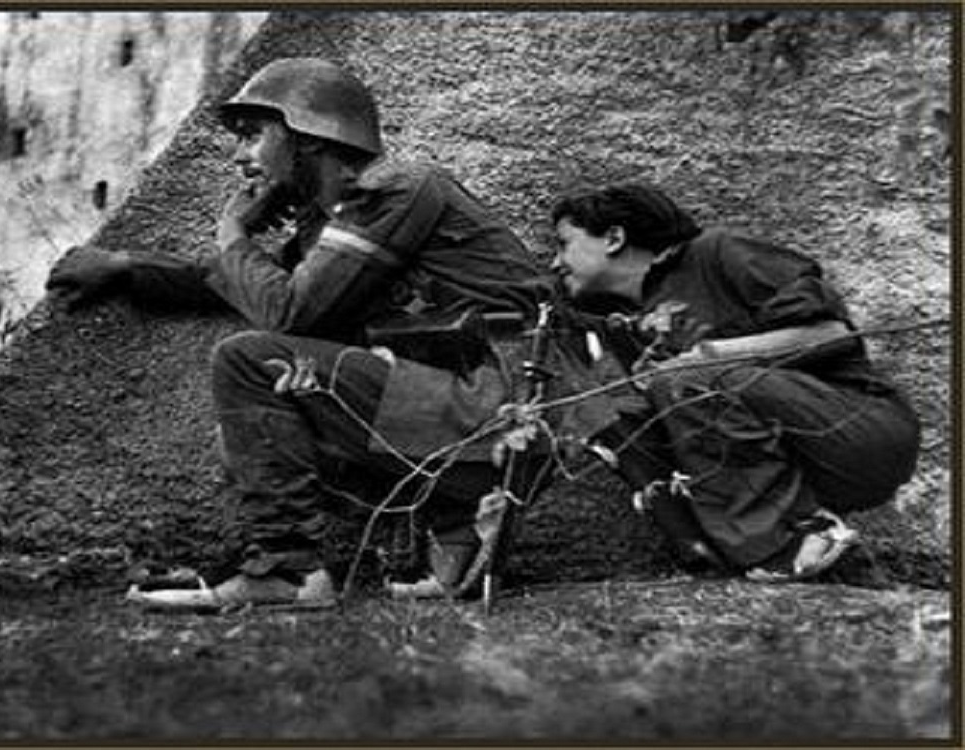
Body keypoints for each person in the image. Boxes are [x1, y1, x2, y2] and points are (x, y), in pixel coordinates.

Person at [46, 58, 578, 610]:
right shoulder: (337, 226)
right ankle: (453, 530)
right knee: (255, 433)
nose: (239, 156)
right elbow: (247, 282)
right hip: (473, 418)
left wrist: (232, 230)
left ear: (309, 137)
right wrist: (126, 266)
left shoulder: (397, 189)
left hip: (512, 405)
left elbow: (290, 311)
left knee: (250, 363)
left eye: (254, 136)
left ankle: (291, 570)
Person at [546, 182, 920, 582]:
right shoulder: (617, 321)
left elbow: (829, 334)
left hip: (856, 431)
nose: (555, 262)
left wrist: (705, 358)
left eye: (564, 244)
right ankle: (741, 557)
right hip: (785, 460)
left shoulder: (717, 253)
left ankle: (792, 543)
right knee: (617, 416)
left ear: (614, 237)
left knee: (683, 378)